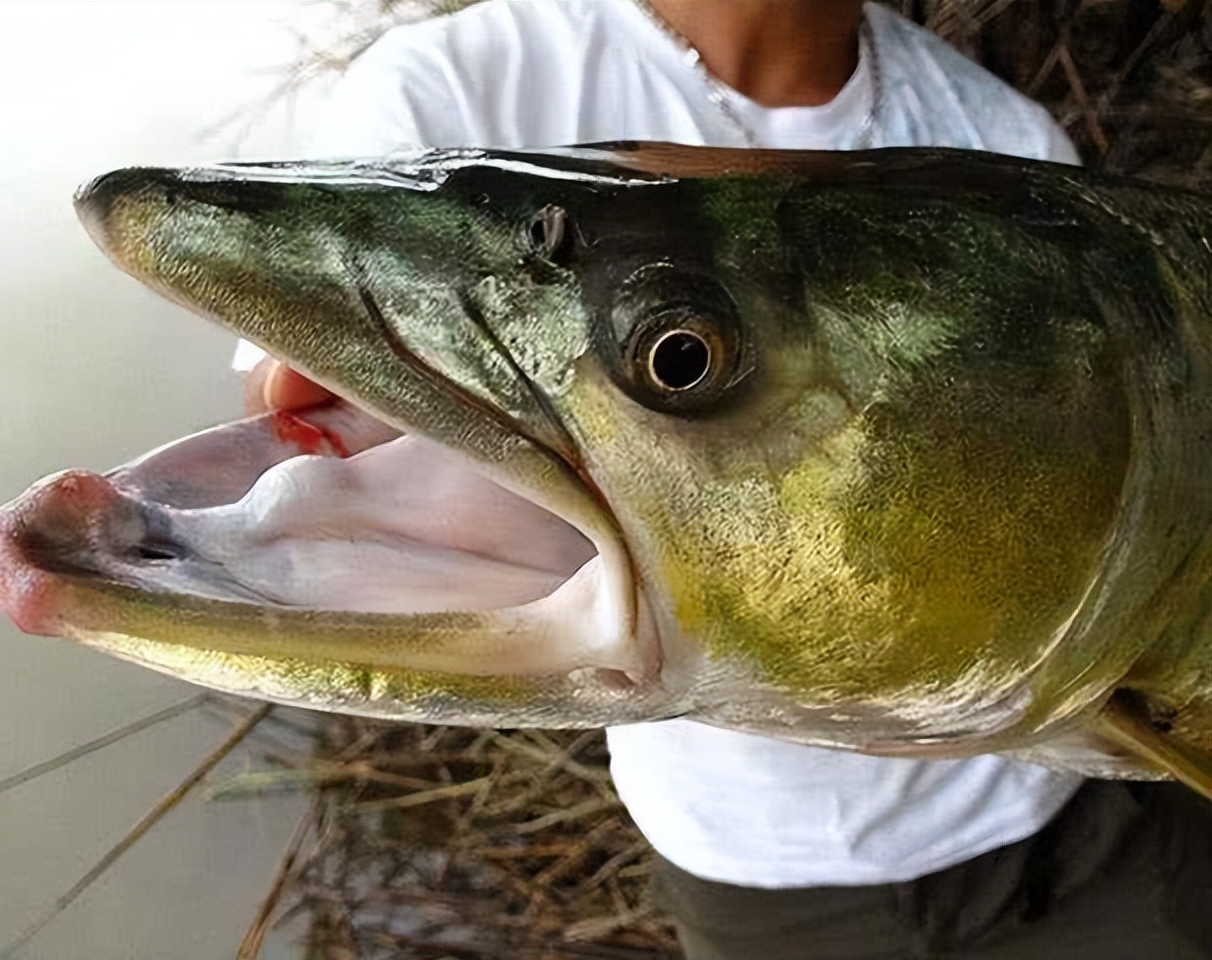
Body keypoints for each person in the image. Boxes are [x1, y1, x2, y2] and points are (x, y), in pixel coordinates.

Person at [238, 3, 1212, 957]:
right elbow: (313, 417)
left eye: (679, 359)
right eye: (679, 359)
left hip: (1079, 830)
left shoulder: (1000, 135)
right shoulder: (452, 89)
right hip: (760, 889)